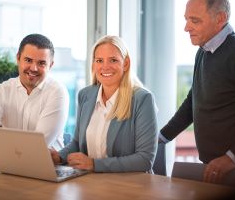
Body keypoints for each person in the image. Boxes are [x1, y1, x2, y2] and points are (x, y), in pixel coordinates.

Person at [159, 0, 235, 184]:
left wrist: (232, 158)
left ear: (220, 18)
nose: (186, 27)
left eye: (194, 20)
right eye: (186, 19)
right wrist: (161, 137)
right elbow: (193, 101)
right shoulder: (203, 51)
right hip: (212, 170)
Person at [50, 35, 159, 172]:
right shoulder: (85, 95)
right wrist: (59, 157)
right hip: (91, 182)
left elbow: (144, 160)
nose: (105, 67)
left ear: (125, 64)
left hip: (131, 185)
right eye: (99, 61)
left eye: (113, 60)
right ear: (94, 65)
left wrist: (95, 165)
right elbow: (78, 143)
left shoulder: (142, 99)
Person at [0, 33, 69, 151]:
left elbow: (39, 142)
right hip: (6, 162)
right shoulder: (1, 91)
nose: (33, 68)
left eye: (41, 63)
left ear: (50, 65)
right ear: (18, 58)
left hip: (49, 166)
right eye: (28, 60)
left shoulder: (58, 92)